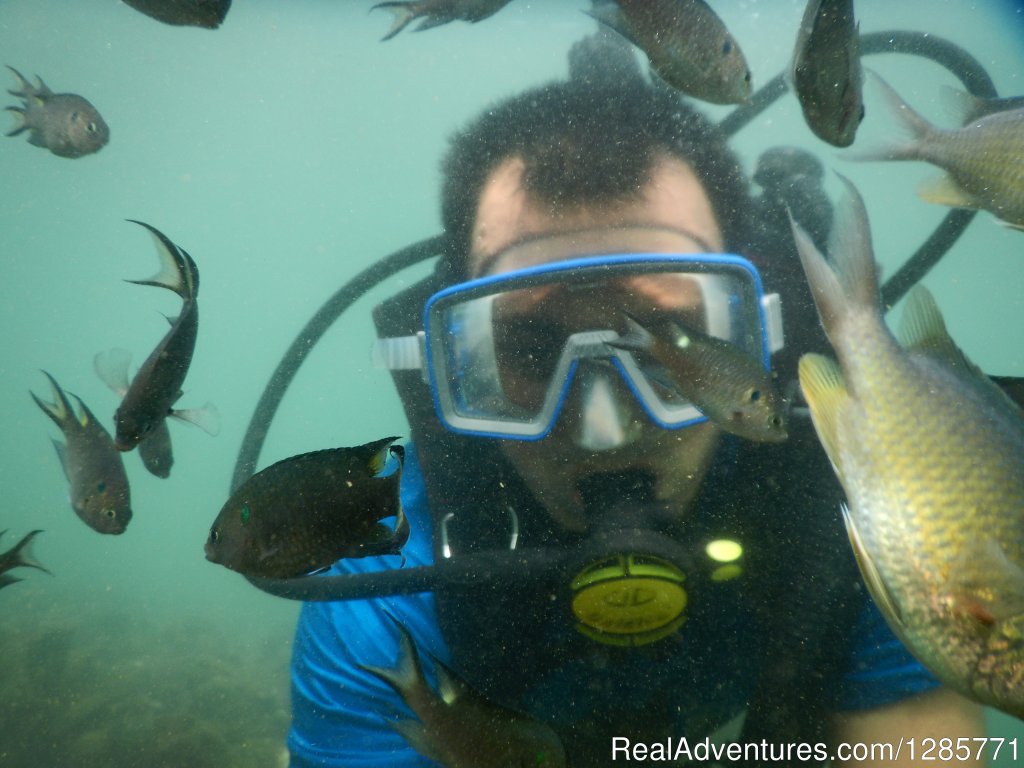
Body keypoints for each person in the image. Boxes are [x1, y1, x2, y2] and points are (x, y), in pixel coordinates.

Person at [286, 47, 986, 768]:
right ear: (456, 364)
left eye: (669, 352)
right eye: (527, 350)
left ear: (752, 337)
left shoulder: (875, 526)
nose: (604, 429)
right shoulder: (384, 585)